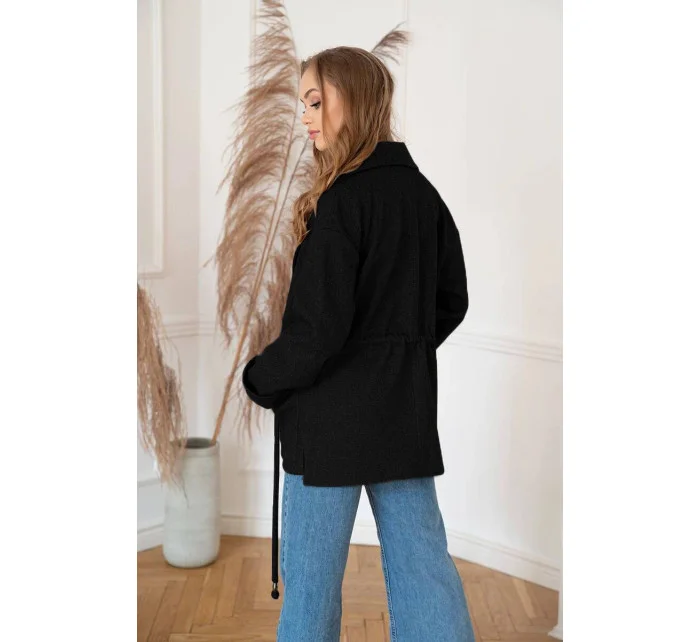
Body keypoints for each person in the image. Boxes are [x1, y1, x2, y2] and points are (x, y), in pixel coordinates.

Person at [242, 45, 474, 642]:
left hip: (327, 432)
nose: (305, 118)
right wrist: (397, 356)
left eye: (315, 101)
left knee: (311, 592)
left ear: (355, 99)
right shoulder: (423, 196)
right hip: (402, 417)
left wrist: (260, 378)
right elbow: (452, 301)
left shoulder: (341, 201)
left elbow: (316, 333)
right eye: (302, 105)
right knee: (426, 575)